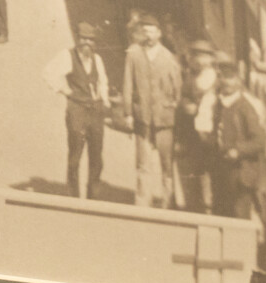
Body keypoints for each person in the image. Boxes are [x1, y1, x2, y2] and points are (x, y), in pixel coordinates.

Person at [43, 22, 111, 199]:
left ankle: (93, 197)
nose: (87, 43)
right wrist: (65, 90)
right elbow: (49, 72)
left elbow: (103, 81)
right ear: (78, 39)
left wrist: (103, 99)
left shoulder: (97, 59)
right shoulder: (68, 55)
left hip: (95, 111)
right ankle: (73, 196)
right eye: (84, 39)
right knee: (75, 155)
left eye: (91, 40)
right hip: (77, 109)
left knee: (96, 156)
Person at [123, 14, 182, 208]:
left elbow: (177, 89)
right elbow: (127, 85)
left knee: (167, 165)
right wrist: (129, 113)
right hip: (142, 118)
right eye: (145, 31)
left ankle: (167, 202)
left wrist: (170, 106)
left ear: (159, 33)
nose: (148, 35)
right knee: (143, 165)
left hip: (164, 121)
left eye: (152, 31)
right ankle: (142, 204)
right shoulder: (133, 54)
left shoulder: (168, 58)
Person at [207, 62, 266, 220]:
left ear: (239, 81)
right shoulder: (218, 105)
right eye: (222, 77)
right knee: (220, 214)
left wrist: (238, 150)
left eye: (230, 78)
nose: (226, 82)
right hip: (222, 171)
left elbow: (260, 140)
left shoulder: (245, 108)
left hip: (241, 172)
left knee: (239, 216)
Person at [174, 40, 217, 214]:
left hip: (208, 132)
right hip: (190, 132)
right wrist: (186, 105)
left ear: (210, 59)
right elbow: (183, 96)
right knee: (192, 168)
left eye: (204, 56)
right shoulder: (190, 76)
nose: (200, 61)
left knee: (208, 170)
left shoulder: (215, 78)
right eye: (197, 56)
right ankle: (194, 206)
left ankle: (209, 206)